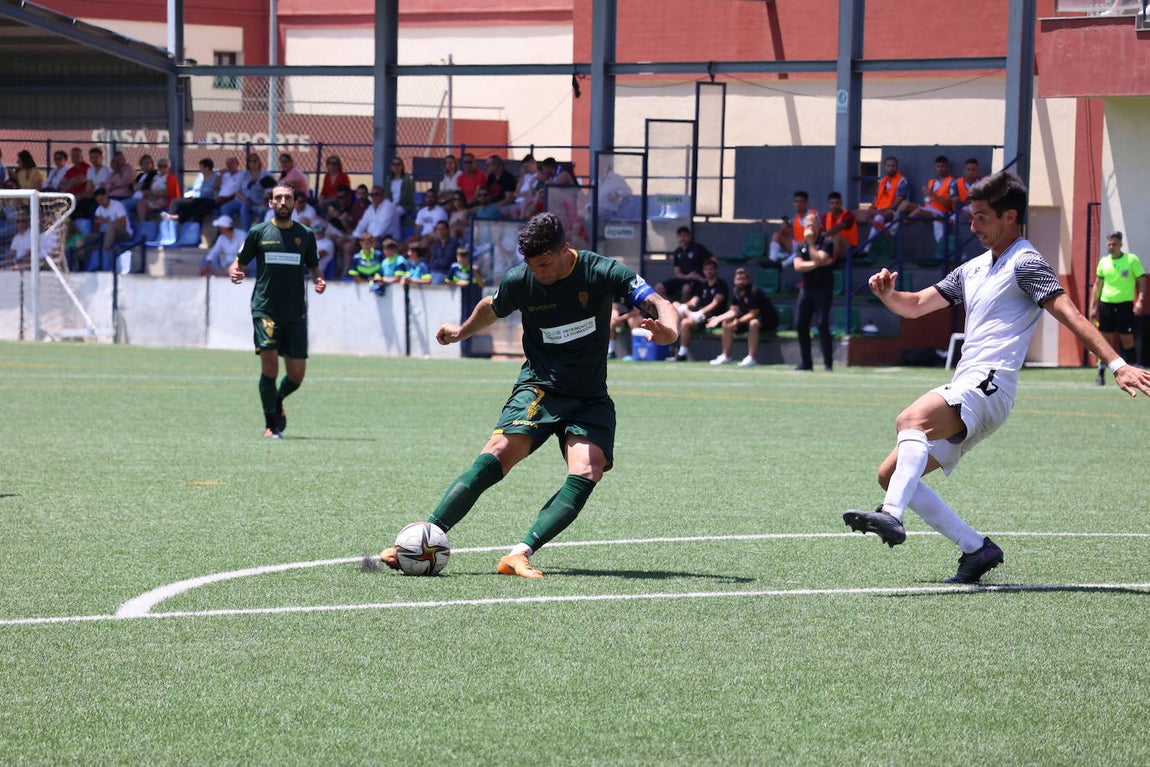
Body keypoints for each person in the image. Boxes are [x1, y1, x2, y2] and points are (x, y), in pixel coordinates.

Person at [842, 171, 1150, 584]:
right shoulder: (973, 269)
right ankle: (976, 549)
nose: (973, 226)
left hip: (990, 384)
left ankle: (891, 516)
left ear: (1010, 217)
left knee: (909, 421)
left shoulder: (1026, 262)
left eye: (982, 218)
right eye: (971, 217)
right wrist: (887, 295)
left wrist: (1117, 364)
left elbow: (1070, 313)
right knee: (892, 474)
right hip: (971, 385)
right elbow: (915, 305)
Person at [377, 212, 679, 578]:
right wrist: (461, 332)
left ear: (565, 249)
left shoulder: (602, 271)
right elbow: (493, 306)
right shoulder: (522, 280)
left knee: (588, 469)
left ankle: (519, 554)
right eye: (532, 265)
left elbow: (659, 303)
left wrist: (670, 333)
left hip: (588, 397)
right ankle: (421, 539)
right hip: (539, 387)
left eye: (546, 264)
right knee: (497, 454)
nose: (539, 273)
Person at [229, 183, 326, 440]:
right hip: (265, 308)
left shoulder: (305, 235)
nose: (283, 202)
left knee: (296, 376)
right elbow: (238, 263)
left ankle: (278, 399)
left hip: (295, 311)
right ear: (271, 203)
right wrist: (234, 271)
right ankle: (271, 423)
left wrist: (319, 279)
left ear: (295, 203)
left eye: (288, 198)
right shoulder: (258, 232)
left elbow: (314, 267)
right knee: (270, 367)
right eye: (278, 198)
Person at [1090, 231, 1146, 385]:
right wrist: (1093, 306)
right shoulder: (1103, 262)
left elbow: (1141, 281)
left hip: (1125, 306)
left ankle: (1134, 373)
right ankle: (1100, 374)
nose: (1111, 247)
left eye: (1114, 244)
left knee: (1127, 340)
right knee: (1104, 342)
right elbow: (1097, 285)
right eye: (1108, 244)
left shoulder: (1131, 260)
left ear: (1121, 244)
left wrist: (1140, 300)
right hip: (1106, 305)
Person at [792, 212, 839, 372]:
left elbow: (821, 257)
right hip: (806, 289)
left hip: (823, 289)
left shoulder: (827, 242)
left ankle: (828, 364)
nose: (809, 228)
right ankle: (806, 363)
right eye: (807, 225)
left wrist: (812, 245)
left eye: (812, 225)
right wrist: (817, 263)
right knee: (800, 324)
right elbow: (798, 266)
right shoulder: (800, 245)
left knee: (821, 324)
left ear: (819, 226)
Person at [707, 266, 778, 368]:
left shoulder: (754, 291)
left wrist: (738, 321)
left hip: (768, 320)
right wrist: (718, 318)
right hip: (748, 319)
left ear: (748, 280)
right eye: (738, 279)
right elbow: (733, 311)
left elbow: (754, 313)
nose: (741, 282)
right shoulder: (736, 291)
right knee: (726, 323)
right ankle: (725, 356)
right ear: (734, 281)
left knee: (754, 323)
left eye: (743, 279)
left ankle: (751, 358)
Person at [670, 257, 728, 362]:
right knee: (676, 305)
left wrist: (700, 312)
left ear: (715, 270)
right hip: (695, 315)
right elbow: (694, 301)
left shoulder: (721, 285)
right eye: (706, 269)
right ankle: (672, 347)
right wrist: (685, 306)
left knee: (685, 323)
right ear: (703, 271)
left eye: (711, 269)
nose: (709, 272)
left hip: (710, 316)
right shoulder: (703, 285)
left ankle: (681, 354)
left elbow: (715, 303)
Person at [907, 155, 955, 243]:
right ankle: (897, 224)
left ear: (947, 167)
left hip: (942, 212)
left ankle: (904, 222)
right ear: (935, 168)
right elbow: (927, 200)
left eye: (943, 166)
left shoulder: (951, 182)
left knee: (919, 211)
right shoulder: (931, 182)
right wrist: (925, 195)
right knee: (906, 204)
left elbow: (948, 204)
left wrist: (932, 194)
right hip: (929, 210)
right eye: (938, 166)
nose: (940, 169)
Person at [659, 226, 714, 303]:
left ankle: (682, 310)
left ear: (689, 236)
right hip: (683, 279)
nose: (682, 238)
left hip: (697, 280)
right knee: (659, 287)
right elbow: (677, 273)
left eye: (685, 236)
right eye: (680, 236)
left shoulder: (698, 248)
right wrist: (688, 276)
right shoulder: (677, 252)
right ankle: (672, 307)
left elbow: (714, 260)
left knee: (686, 288)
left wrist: (705, 275)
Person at [89, 188, 133, 272]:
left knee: (111, 226)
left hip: (124, 234)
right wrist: (97, 223)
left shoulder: (117, 205)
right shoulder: (99, 210)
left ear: (106, 196)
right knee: (90, 237)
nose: (100, 202)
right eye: (98, 201)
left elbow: (122, 225)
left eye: (102, 199)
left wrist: (105, 221)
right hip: (107, 235)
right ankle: (89, 266)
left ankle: (105, 252)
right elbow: (95, 230)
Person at [770, 191, 817, 266]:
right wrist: (783, 228)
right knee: (776, 235)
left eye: (801, 202)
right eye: (796, 201)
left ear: (806, 203)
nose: (798, 204)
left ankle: (781, 265)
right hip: (797, 244)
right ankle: (772, 261)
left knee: (802, 248)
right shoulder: (795, 218)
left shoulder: (813, 214)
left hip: (810, 245)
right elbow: (786, 232)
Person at [170, 158, 220, 223]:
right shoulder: (200, 176)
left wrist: (196, 192)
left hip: (209, 199)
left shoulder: (216, 177)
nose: (200, 170)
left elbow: (210, 191)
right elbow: (193, 186)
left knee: (198, 208)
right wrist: (188, 192)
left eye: (201, 168)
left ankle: (191, 224)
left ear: (207, 168)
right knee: (176, 202)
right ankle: (171, 220)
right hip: (195, 197)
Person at [428, 220, 459, 284]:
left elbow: (446, 262)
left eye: (442, 229)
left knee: (437, 279)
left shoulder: (453, 244)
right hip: (435, 271)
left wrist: (437, 262)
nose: (440, 231)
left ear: (447, 230)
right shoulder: (437, 244)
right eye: (438, 229)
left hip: (448, 272)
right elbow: (432, 261)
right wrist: (437, 262)